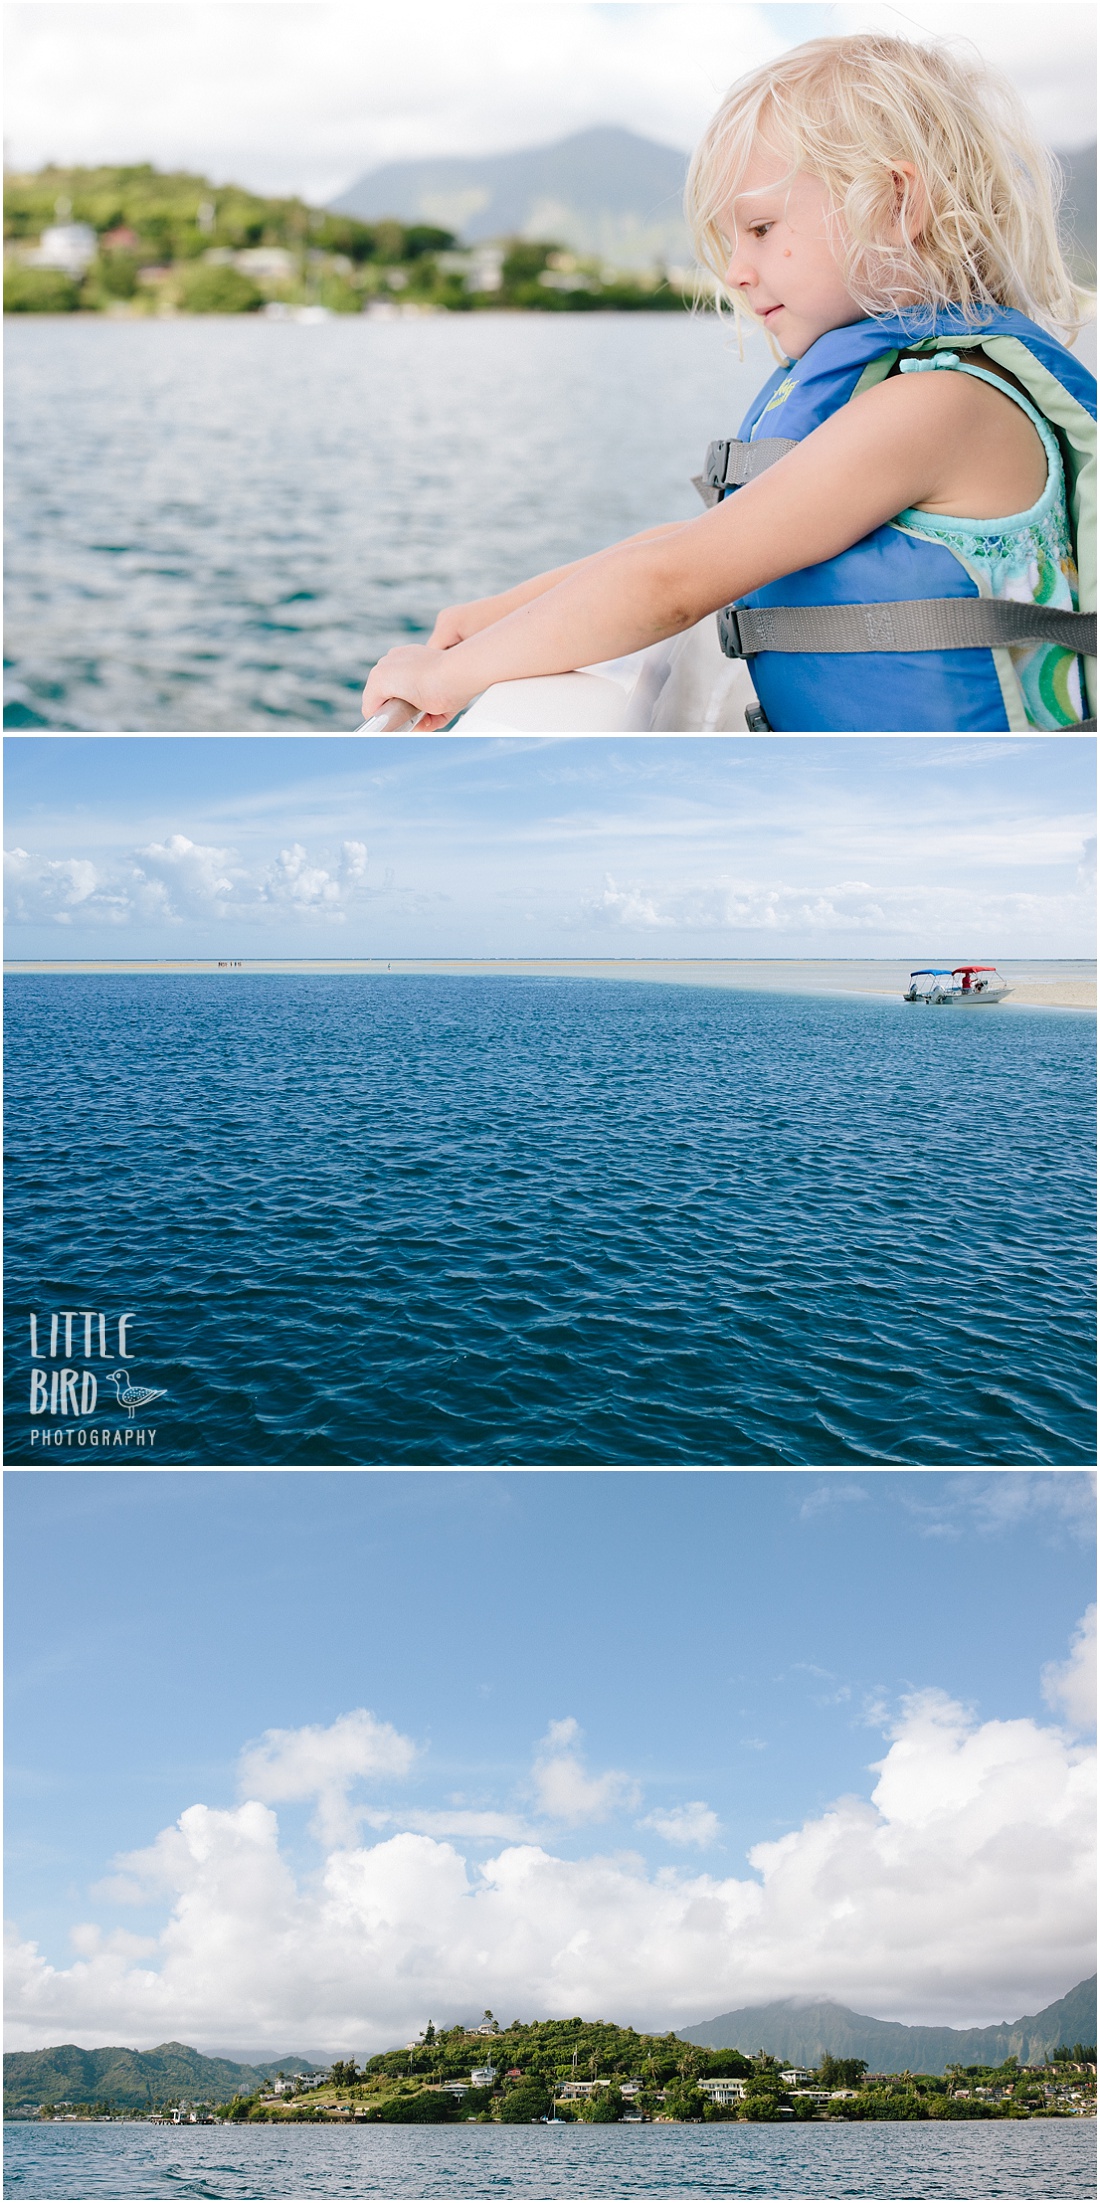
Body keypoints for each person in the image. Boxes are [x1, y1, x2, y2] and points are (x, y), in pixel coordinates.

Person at [360, 33, 1096, 734]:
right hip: (897, 802)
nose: (736, 271)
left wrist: (445, 679)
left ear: (897, 204)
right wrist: (497, 613)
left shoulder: (944, 406)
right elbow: (697, 541)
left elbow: (672, 580)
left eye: (762, 228)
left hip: (965, 816)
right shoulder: (907, 392)